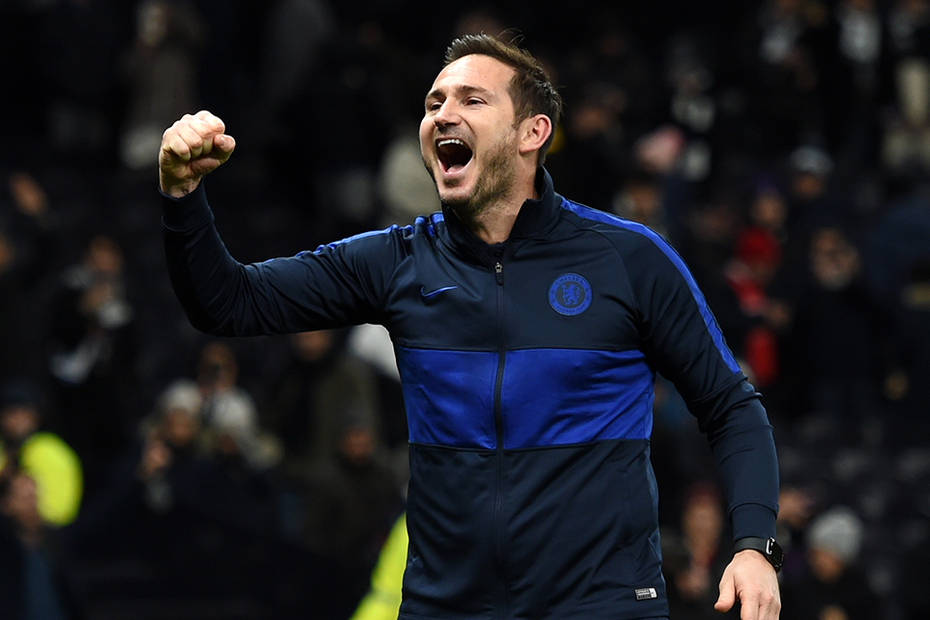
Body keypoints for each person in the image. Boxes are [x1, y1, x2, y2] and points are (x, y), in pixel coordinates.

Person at [158, 33, 781, 620]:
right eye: (434, 103)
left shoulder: (629, 259)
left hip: (601, 606)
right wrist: (183, 198)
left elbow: (730, 405)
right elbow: (228, 302)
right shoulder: (397, 261)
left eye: (471, 99)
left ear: (533, 132)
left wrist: (754, 546)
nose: (442, 114)